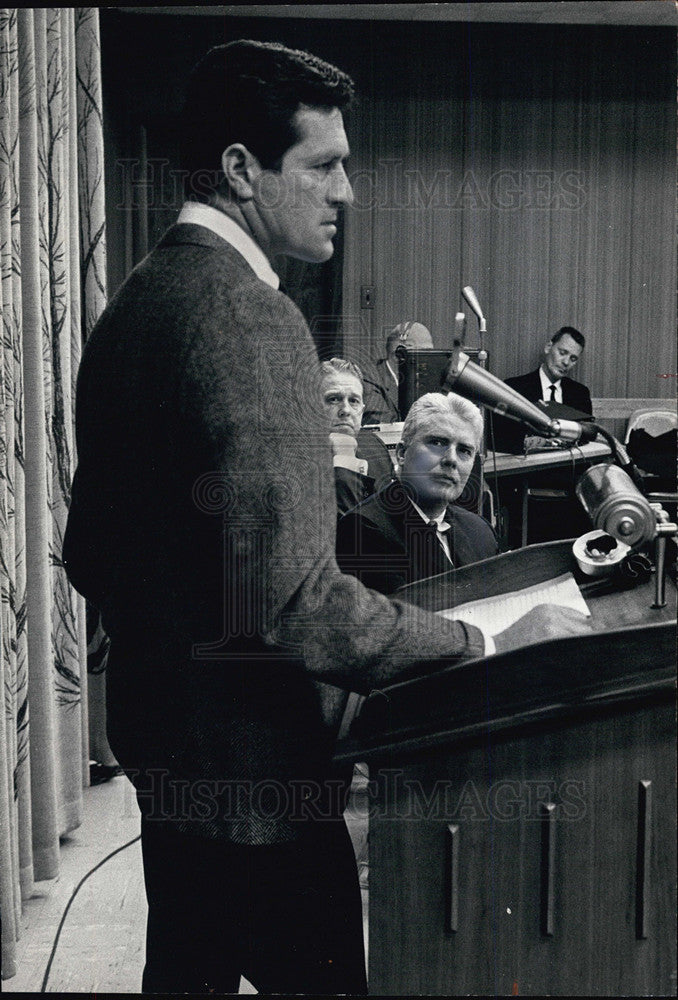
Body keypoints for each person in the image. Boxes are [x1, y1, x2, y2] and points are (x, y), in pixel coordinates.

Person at [62, 40, 589, 995]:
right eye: (323, 164)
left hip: (173, 766)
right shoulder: (253, 323)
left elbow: (87, 551)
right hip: (261, 787)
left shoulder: (133, 304)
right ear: (239, 170)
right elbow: (298, 604)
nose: (346, 190)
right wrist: (482, 641)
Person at [337, 392, 497, 594]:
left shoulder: (480, 532)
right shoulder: (363, 530)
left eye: (464, 450)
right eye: (437, 443)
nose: (451, 459)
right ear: (402, 453)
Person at [493, 326, 593, 454]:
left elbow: (587, 435)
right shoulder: (514, 388)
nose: (566, 362)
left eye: (573, 358)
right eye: (562, 353)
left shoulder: (580, 393)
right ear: (548, 347)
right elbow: (499, 437)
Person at [320, 356, 394, 513]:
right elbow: (347, 529)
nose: (345, 410)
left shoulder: (374, 446)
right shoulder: (296, 459)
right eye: (333, 399)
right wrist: (344, 460)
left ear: (362, 409)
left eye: (353, 401)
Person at [361, 319, 433, 425]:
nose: (430, 360)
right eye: (425, 353)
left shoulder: (427, 377)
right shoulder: (369, 377)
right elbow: (383, 423)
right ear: (399, 355)